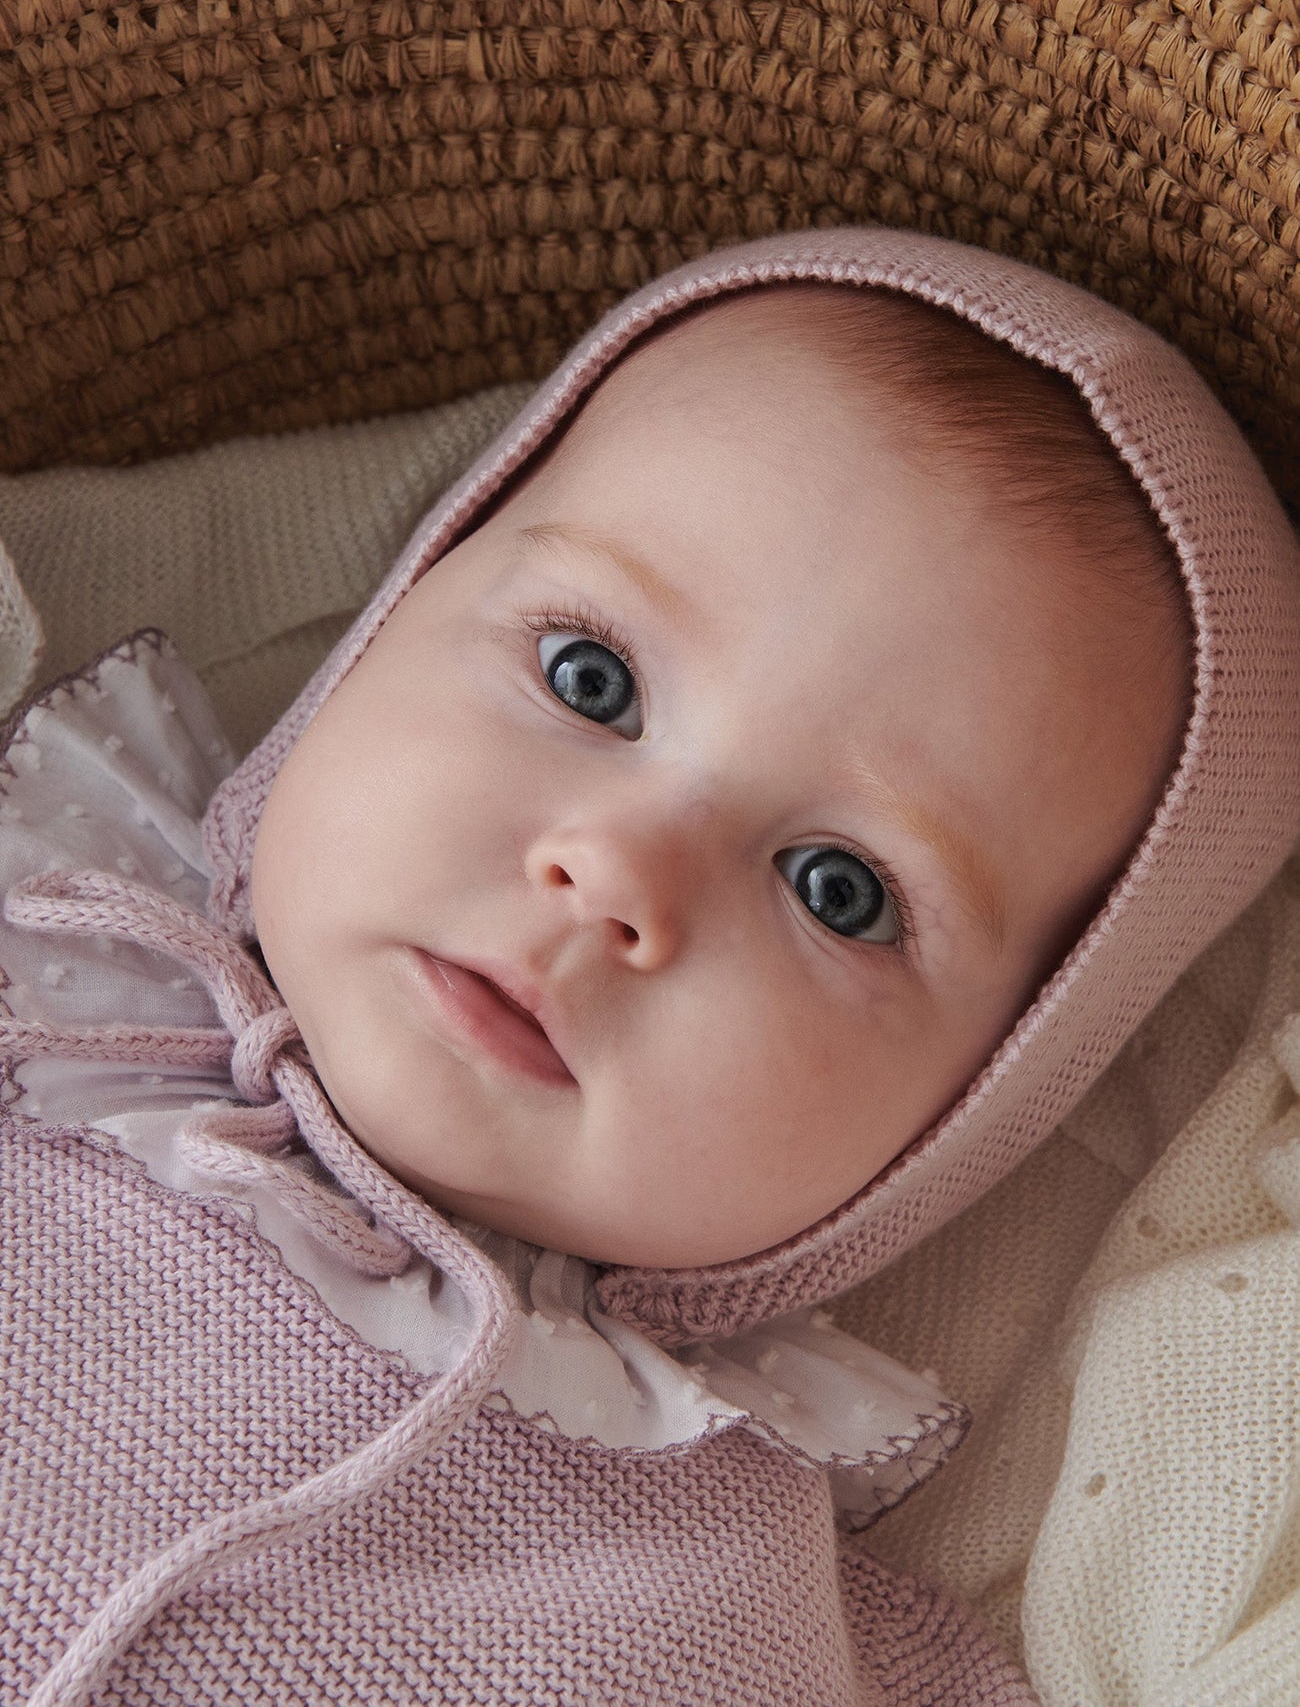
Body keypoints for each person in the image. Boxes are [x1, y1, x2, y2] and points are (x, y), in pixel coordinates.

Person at [2, 226, 1297, 1706]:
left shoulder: (719, 1596)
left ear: (974, 1112)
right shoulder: (42, 938)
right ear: (390, 617)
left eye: (838, 888)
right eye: (590, 678)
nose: (619, 873)